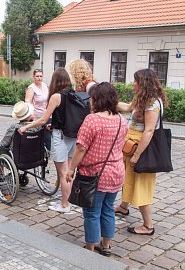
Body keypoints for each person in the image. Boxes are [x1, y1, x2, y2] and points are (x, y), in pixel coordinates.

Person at [66, 82, 128, 255]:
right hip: (116, 172)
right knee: (108, 209)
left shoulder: (92, 120)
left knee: (92, 212)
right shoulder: (122, 121)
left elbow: (80, 148)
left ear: (97, 99)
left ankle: (91, 246)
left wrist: (71, 169)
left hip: (95, 175)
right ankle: (106, 245)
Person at [114, 68, 168, 235]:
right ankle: (123, 207)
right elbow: (127, 107)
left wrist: (137, 155)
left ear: (144, 83)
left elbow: (149, 131)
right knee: (128, 178)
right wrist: (108, 100)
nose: (133, 83)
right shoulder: (142, 98)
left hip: (141, 147)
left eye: (136, 81)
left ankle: (148, 225)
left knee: (142, 184)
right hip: (132, 143)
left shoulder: (152, 103)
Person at [19, 68, 75, 213]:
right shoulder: (73, 94)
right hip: (72, 137)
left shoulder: (56, 96)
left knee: (63, 174)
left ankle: (64, 204)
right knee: (69, 172)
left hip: (60, 137)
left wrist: (26, 128)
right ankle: (68, 200)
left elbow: (43, 119)